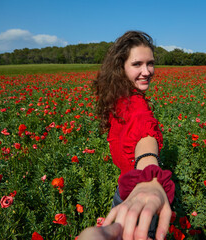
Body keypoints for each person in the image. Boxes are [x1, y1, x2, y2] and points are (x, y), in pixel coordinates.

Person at [79, 31, 175, 240]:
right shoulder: (137, 107)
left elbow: (139, 139)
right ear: (121, 67)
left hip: (126, 190)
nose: (147, 71)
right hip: (138, 199)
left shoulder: (118, 96)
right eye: (137, 64)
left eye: (150, 63)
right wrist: (149, 178)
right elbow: (145, 135)